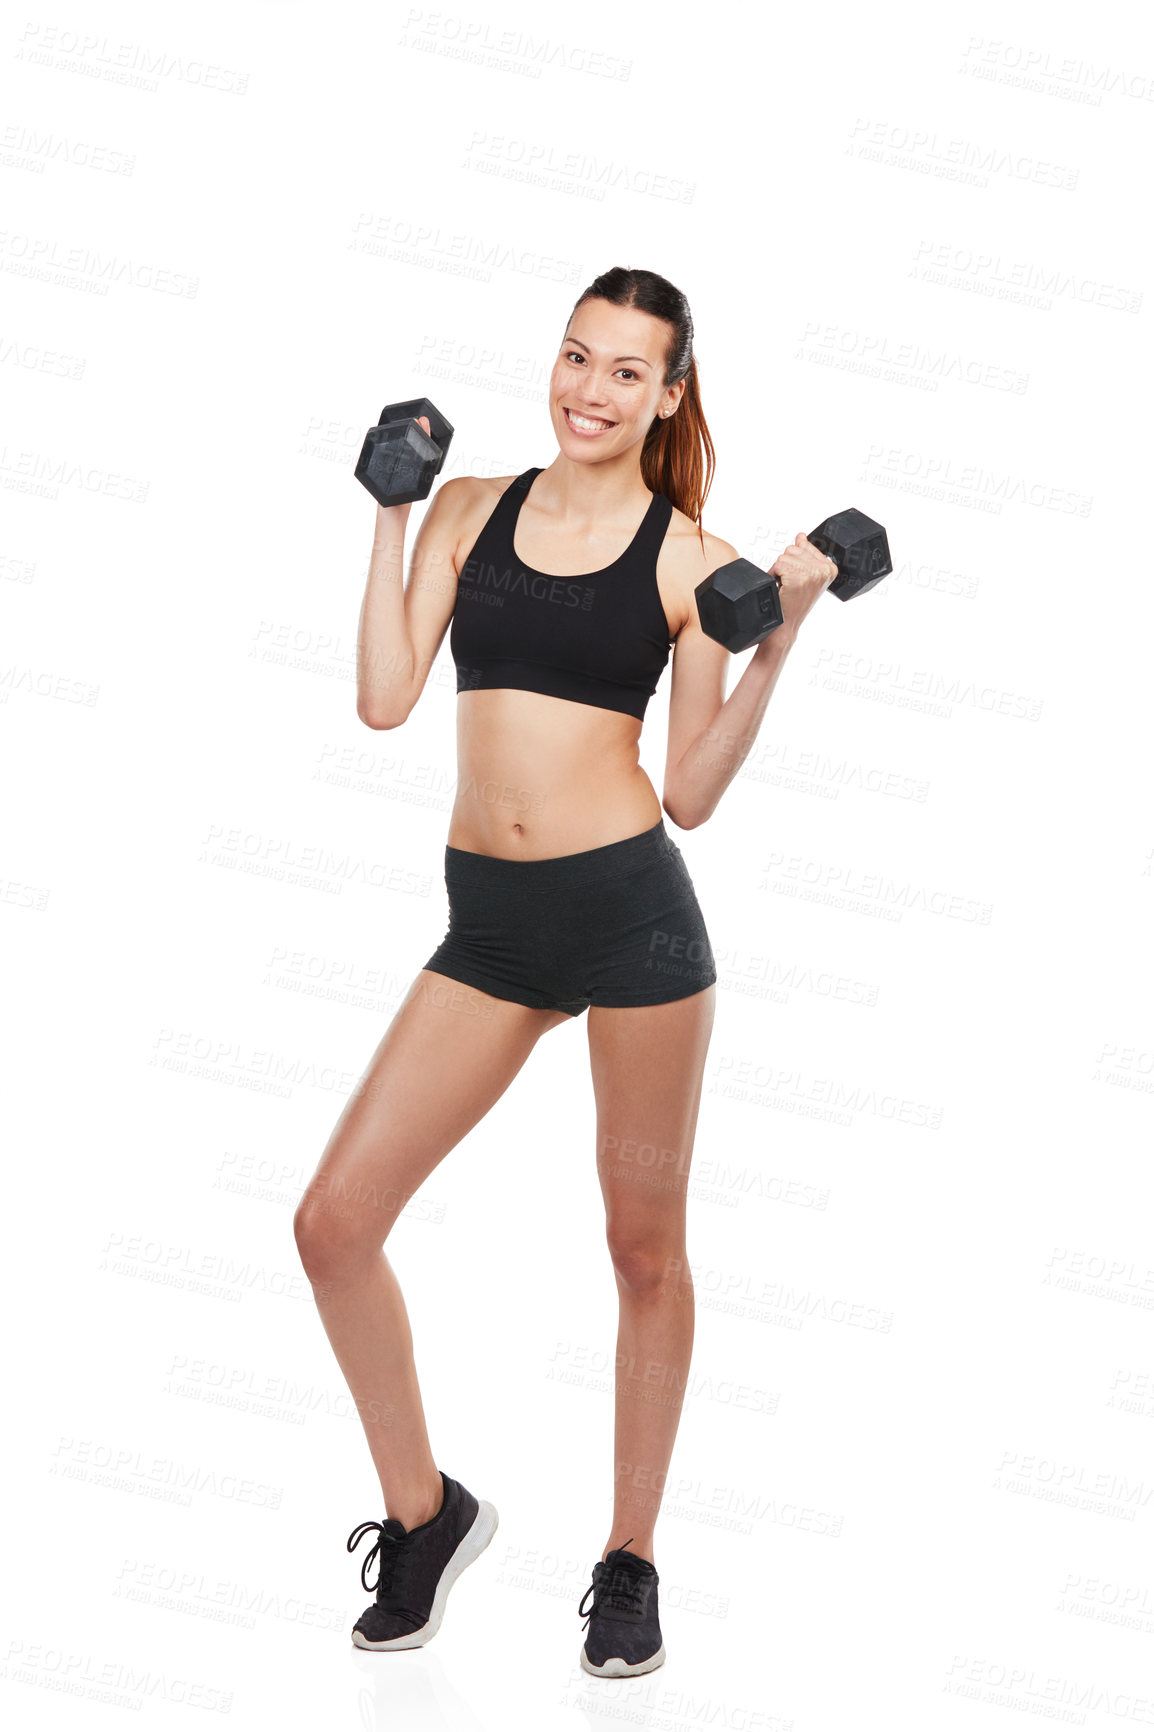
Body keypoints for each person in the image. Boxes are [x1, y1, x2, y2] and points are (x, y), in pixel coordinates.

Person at [293, 265, 838, 1678]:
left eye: (621, 371)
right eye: (573, 357)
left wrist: (778, 641)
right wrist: (391, 510)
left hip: (631, 926)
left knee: (642, 1250)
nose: (587, 391)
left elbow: (694, 792)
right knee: (332, 1224)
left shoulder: (684, 558)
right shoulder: (469, 505)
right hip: (488, 933)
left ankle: (629, 1559)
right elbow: (382, 695)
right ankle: (425, 1516)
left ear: (667, 395)